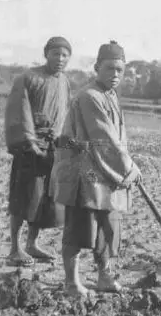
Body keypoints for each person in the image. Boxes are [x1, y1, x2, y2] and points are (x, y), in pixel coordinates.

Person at [50, 40, 141, 296]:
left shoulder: (109, 95)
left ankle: (104, 276)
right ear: (96, 67)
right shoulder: (90, 96)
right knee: (79, 227)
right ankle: (71, 283)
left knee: (106, 225)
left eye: (119, 70)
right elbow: (106, 140)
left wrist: (126, 168)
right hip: (85, 172)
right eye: (110, 68)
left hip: (103, 172)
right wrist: (130, 169)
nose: (115, 75)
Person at [4, 36, 72, 267]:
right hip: (31, 149)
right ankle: (14, 248)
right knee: (23, 198)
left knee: (43, 200)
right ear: (46, 54)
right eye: (56, 54)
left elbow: (65, 115)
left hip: (53, 150)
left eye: (65, 55)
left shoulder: (64, 82)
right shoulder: (28, 78)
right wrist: (31, 144)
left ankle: (32, 243)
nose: (60, 59)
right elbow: (19, 112)